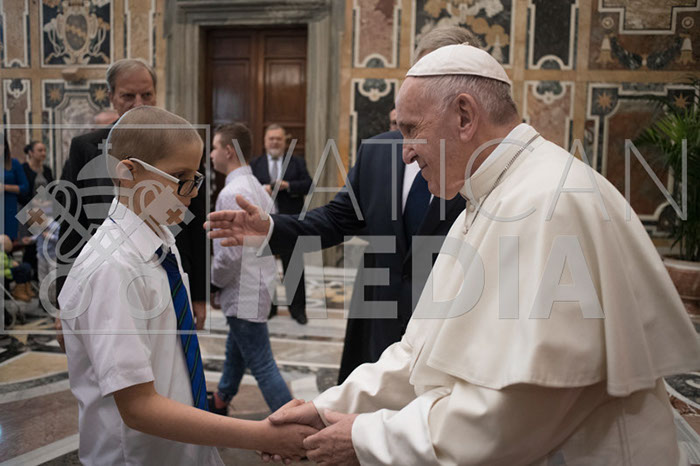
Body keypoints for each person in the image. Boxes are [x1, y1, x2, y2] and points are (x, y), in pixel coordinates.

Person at [216, 45, 700, 465]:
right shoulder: (487, 195)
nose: (404, 153)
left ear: (465, 116)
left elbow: (519, 411)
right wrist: (329, 408)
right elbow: (420, 353)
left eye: (411, 129)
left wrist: (364, 437)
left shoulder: (549, 203)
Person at [207, 26, 477, 383]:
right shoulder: (379, 152)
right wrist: (270, 227)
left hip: (451, 344)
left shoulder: (487, 163)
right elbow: (336, 219)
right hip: (380, 332)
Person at [58, 107, 314, 465]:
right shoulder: (112, 269)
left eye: (196, 177)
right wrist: (261, 435)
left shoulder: (162, 239)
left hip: (181, 446)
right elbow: (138, 408)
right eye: (180, 177)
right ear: (128, 173)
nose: (193, 192)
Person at [55, 58, 208, 344]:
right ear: (111, 96)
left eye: (146, 94)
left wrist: (200, 293)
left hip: (169, 271)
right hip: (110, 272)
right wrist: (64, 301)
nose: (139, 103)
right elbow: (72, 227)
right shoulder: (85, 148)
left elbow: (196, 222)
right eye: (128, 95)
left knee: (169, 354)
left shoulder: (181, 144)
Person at [208, 123, 293, 415]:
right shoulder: (258, 188)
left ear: (228, 151)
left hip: (243, 288)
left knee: (262, 363)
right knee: (237, 347)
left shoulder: (231, 193)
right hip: (259, 283)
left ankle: (296, 424)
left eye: (215, 148)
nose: (211, 155)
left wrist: (214, 284)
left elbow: (229, 255)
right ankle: (221, 400)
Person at [250, 124, 312, 325]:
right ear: (265, 141)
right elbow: (248, 189)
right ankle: (270, 307)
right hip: (264, 223)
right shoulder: (255, 164)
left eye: (278, 139)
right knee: (265, 267)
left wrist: (288, 185)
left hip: (290, 222)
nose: (275, 142)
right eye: (271, 139)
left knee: (294, 266)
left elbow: (309, 185)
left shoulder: (296, 162)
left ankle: (298, 310)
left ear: (285, 142)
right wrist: (262, 190)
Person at [20, 141, 55, 279]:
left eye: (44, 150)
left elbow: (52, 189)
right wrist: (33, 202)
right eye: (40, 150)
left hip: (47, 210)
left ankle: (44, 275)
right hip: (30, 210)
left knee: (48, 241)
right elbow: (23, 191)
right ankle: (30, 276)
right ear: (31, 153)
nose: (43, 153)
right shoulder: (24, 169)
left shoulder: (47, 170)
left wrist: (49, 201)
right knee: (34, 243)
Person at [3, 137, 29, 241]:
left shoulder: (14, 163)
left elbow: (25, 187)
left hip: (9, 209)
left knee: (9, 242)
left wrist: (5, 187)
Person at [2, 234, 33, 302]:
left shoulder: (4, 252)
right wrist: (11, 264)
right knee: (24, 268)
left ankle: (26, 288)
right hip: (4, 273)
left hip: (7, 270)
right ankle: (19, 291)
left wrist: (12, 262)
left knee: (26, 266)